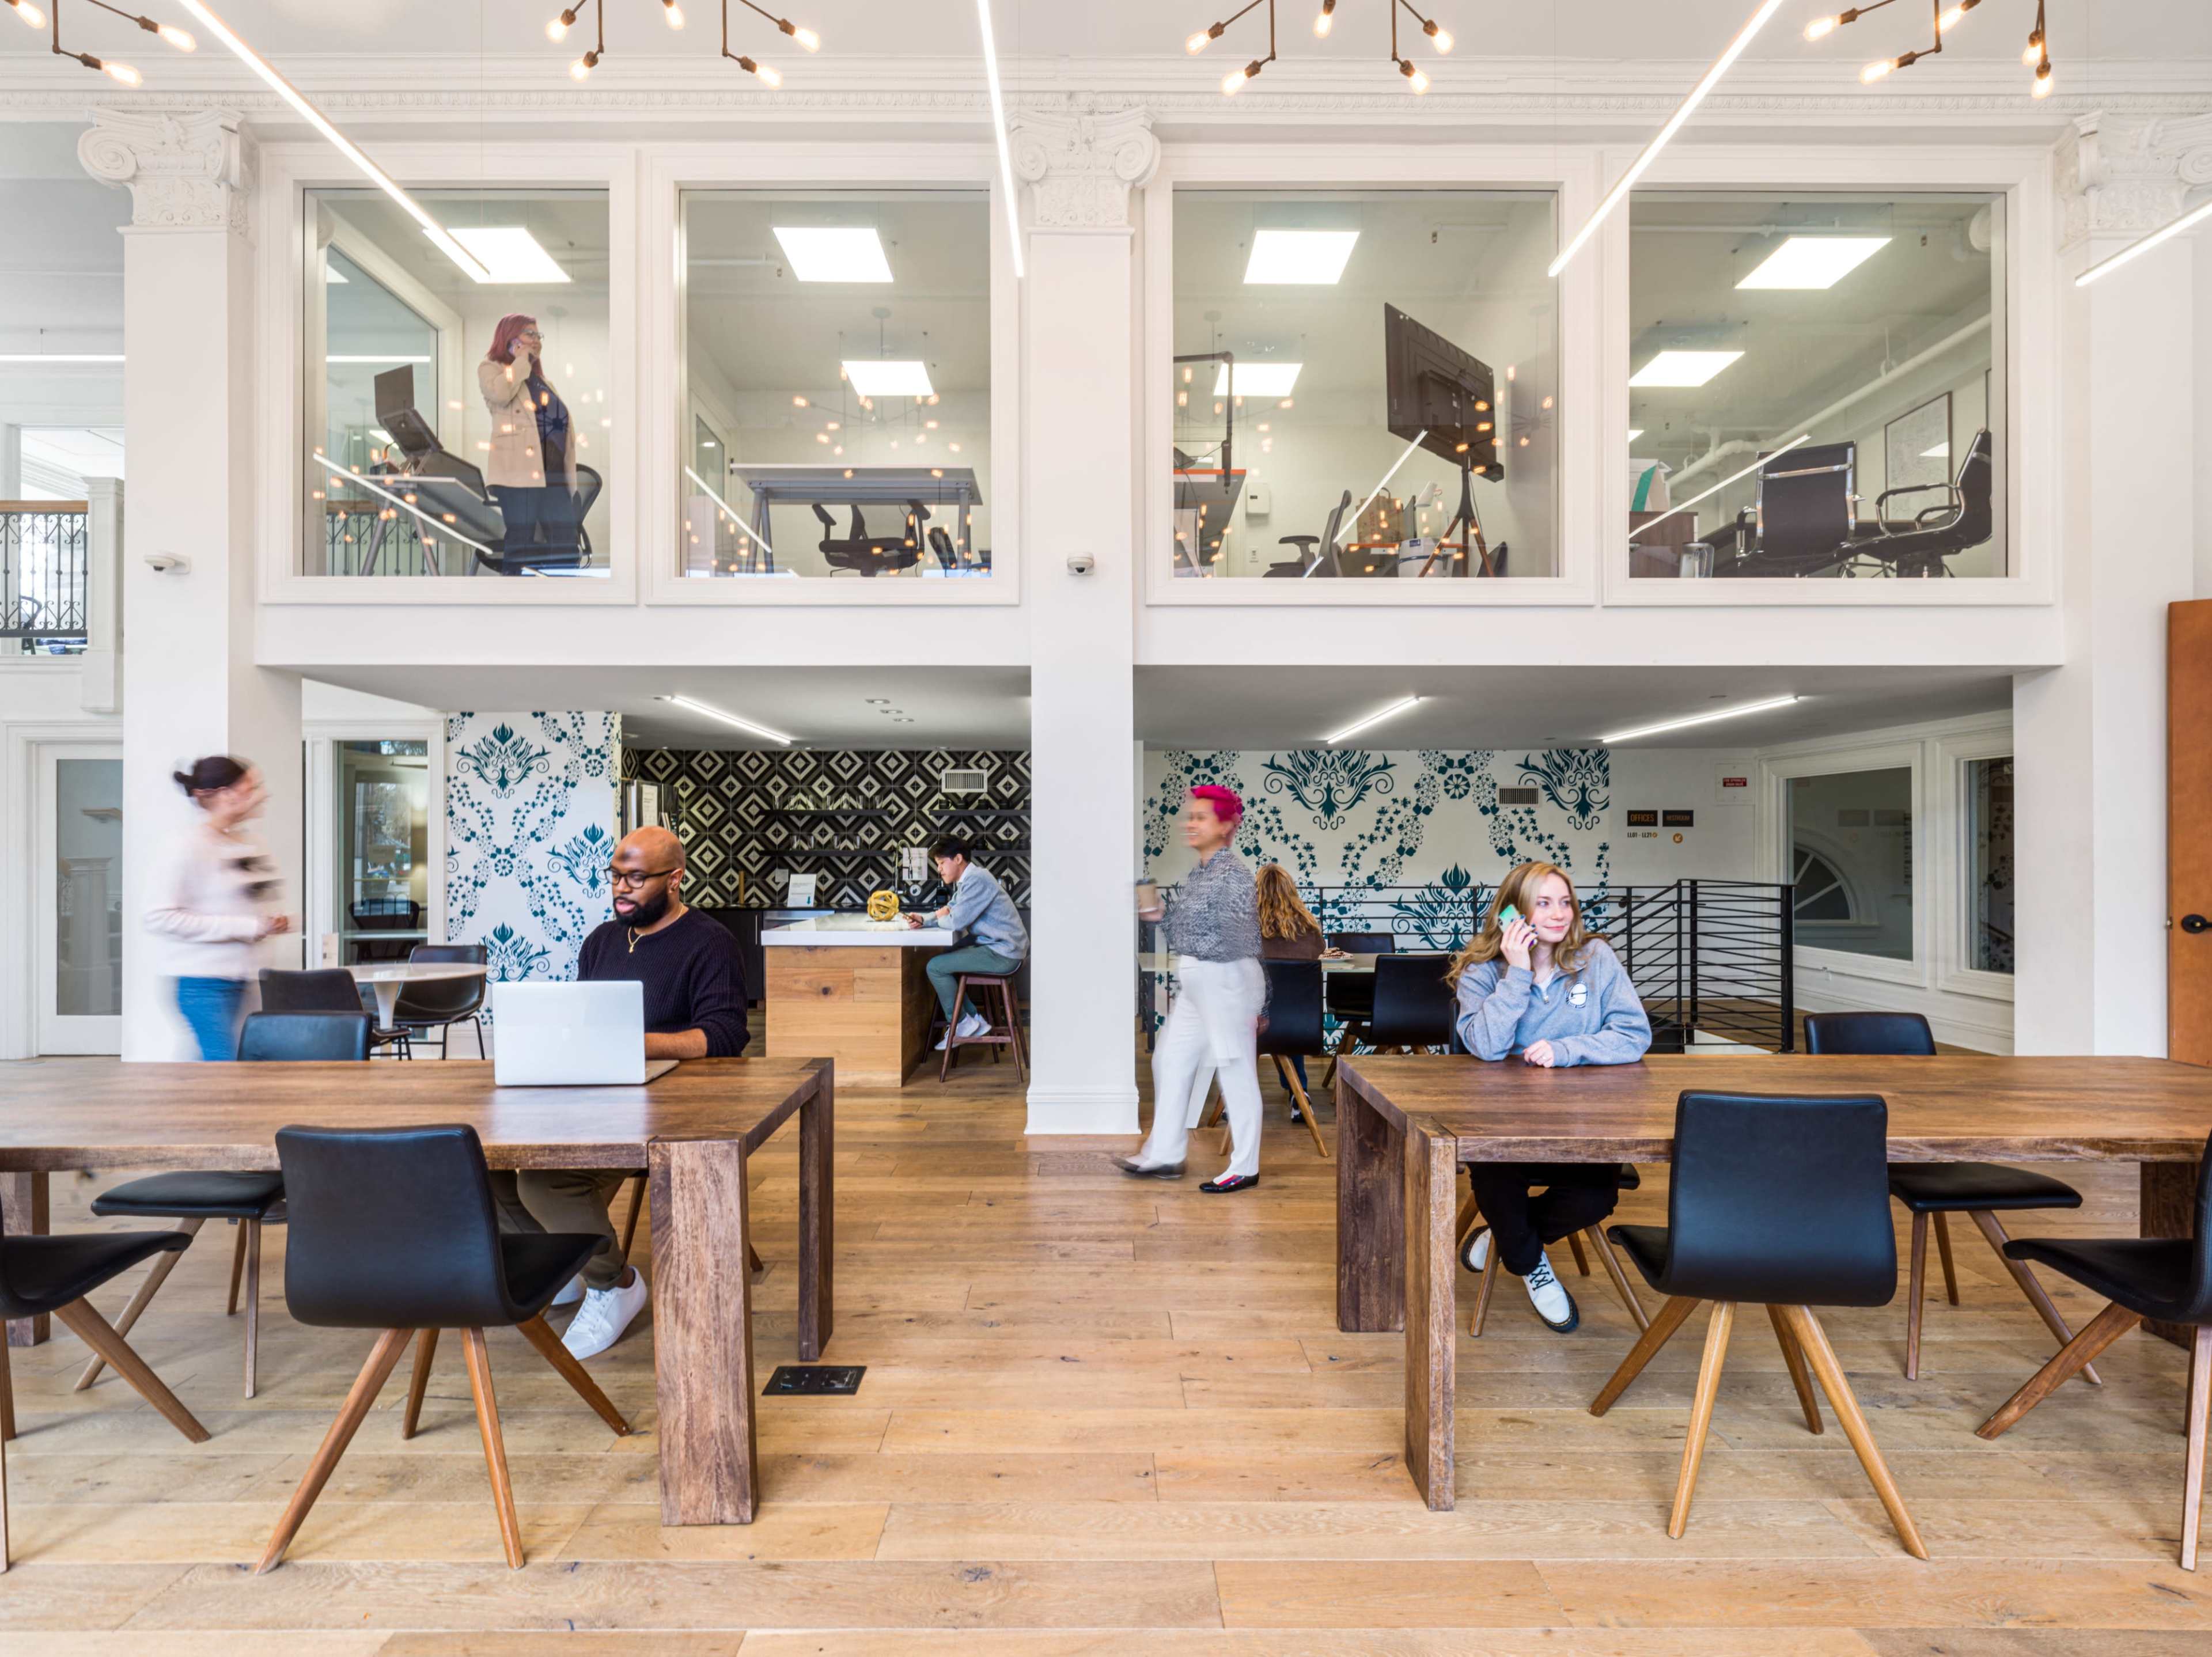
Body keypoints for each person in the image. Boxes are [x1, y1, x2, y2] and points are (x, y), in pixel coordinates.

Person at [491, 825, 749, 1361]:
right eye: (615, 876)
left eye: (635, 878)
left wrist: (633, 1045)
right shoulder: (603, 941)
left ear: (675, 878)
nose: (621, 889)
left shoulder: (710, 941)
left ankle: (614, 1283)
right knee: (486, 1168)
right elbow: (587, 1023)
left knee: (545, 1184)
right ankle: (565, 1261)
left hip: (668, 1103)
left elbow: (725, 1036)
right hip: (592, 1093)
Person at [1449, 859, 1652, 1333]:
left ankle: (1508, 1240)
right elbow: (1485, 1045)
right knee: (1496, 1182)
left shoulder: (1595, 958)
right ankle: (1532, 1265)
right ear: (1513, 913)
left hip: (1579, 1125)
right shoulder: (1482, 972)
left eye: (1565, 901)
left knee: (1596, 1198)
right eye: (1544, 903)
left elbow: (1633, 1033)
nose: (1560, 913)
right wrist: (1517, 973)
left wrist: (1566, 1049)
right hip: (1503, 1126)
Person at [1119, 785, 1266, 1193]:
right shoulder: (1201, 874)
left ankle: (1246, 1165)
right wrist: (1158, 915)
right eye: (1192, 815)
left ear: (1225, 826)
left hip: (1226, 982)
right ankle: (1165, 1152)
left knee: (1235, 1073)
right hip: (1199, 983)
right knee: (1169, 1058)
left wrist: (1261, 1004)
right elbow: (1186, 933)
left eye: (1202, 816)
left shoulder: (1233, 875)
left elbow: (1244, 942)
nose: (1192, 822)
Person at [145, 756, 291, 1061]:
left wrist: (270, 922)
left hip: (244, 979)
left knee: (229, 1068)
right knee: (223, 1068)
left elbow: (247, 902)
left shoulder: (247, 842)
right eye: (251, 788)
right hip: (202, 983)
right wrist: (248, 927)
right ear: (225, 794)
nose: (260, 795)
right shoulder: (186, 846)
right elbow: (159, 916)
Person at [907, 835, 1029, 1049]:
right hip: (1000, 947)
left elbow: (956, 921)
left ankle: (964, 1022)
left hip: (1004, 952)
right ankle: (973, 1020)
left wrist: (944, 915)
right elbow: (950, 911)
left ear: (958, 859)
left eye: (941, 863)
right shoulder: (968, 881)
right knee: (946, 957)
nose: (940, 870)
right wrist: (925, 920)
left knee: (936, 967)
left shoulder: (977, 879)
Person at [478, 313, 579, 564]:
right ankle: (515, 599)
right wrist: (521, 360)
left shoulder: (542, 382)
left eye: (538, 335)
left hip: (553, 475)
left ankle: (565, 599)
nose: (536, 340)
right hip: (518, 474)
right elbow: (501, 393)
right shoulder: (492, 369)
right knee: (521, 541)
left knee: (566, 542)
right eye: (529, 334)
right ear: (510, 339)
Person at [1255, 862, 1323, 1116]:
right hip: (1301, 1026)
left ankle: (1236, 1097)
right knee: (1289, 1010)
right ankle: (1299, 1093)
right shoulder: (1311, 932)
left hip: (1255, 1025)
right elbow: (1320, 952)